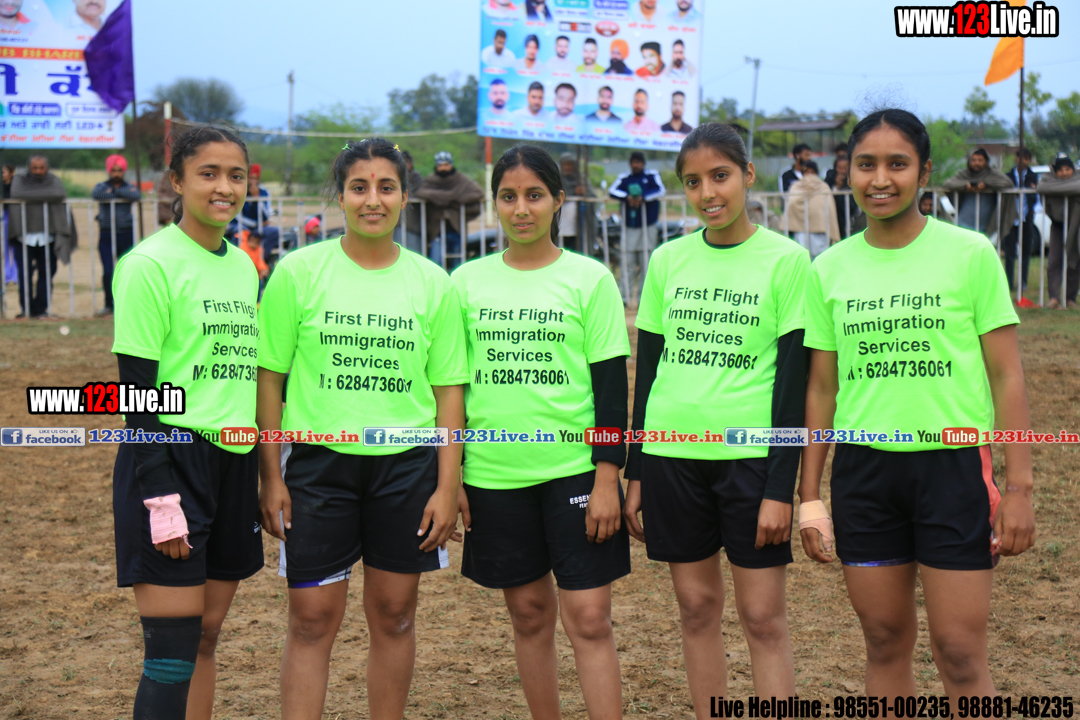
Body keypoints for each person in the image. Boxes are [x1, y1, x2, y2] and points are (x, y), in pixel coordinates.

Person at [800, 109, 1035, 703]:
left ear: (925, 172)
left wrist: (1020, 489)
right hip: (864, 473)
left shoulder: (969, 253)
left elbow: (1006, 375)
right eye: (866, 164)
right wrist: (810, 495)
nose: (881, 179)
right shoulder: (828, 268)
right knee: (883, 641)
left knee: (959, 651)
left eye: (897, 164)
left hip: (953, 472)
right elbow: (821, 388)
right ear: (847, 172)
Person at [257, 138, 466, 720]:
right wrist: (270, 475)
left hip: (406, 469)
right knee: (311, 619)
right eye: (359, 187)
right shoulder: (298, 272)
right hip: (318, 468)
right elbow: (269, 381)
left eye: (386, 187)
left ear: (405, 196)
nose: (373, 200)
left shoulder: (434, 283)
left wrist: (447, 485)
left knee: (395, 616)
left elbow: (449, 393)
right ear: (341, 196)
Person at [624, 122, 808, 718]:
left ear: (748, 175)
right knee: (697, 610)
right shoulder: (667, 260)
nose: (708, 193)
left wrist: (780, 488)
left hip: (750, 464)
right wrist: (636, 470)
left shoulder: (788, 261)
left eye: (721, 176)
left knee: (763, 617)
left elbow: (793, 387)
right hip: (673, 460)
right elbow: (648, 375)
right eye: (693, 182)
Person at [452, 144, 631, 720]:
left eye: (534, 195)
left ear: (558, 200)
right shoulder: (464, 282)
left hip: (575, 475)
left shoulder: (590, 279)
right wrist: (451, 477)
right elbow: (450, 390)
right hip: (494, 477)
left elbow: (610, 388)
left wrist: (607, 477)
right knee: (529, 615)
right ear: (495, 203)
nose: (521, 209)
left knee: (589, 619)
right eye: (508, 197)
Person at [110, 126, 263, 720]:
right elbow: (137, 393)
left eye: (236, 176)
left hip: (232, 464)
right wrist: (160, 497)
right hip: (171, 462)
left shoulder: (243, 265)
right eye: (208, 174)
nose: (224, 187)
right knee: (170, 656)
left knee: (205, 637)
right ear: (176, 181)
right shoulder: (148, 264)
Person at [8, 155, 75, 319]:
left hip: (48, 237)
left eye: (41, 168)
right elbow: (16, 193)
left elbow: (59, 193)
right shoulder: (20, 179)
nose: (38, 171)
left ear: (47, 168)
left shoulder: (53, 179)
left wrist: (29, 195)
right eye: (34, 168)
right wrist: (46, 195)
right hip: (23, 237)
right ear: (29, 168)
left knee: (47, 274)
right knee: (24, 274)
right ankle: (26, 309)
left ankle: (41, 309)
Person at [413, 151, 484, 270]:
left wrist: (451, 199)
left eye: (446, 165)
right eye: (440, 165)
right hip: (437, 231)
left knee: (458, 264)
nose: (443, 168)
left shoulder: (460, 179)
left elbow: (477, 193)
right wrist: (448, 197)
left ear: (451, 165)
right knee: (436, 263)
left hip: (456, 229)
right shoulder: (431, 180)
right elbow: (420, 193)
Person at [609, 151, 665, 302]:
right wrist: (627, 198)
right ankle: (625, 298)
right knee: (627, 263)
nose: (636, 165)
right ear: (630, 164)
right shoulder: (624, 178)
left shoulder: (652, 176)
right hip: (629, 228)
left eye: (638, 162)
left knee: (646, 264)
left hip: (648, 227)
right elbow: (612, 191)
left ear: (643, 163)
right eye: (633, 162)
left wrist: (643, 198)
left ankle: (643, 299)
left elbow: (661, 190)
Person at [91, 153, 141, 315]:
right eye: (113, 170)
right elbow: (97, 194)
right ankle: (109, 305)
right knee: (108, 272)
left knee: (127, 271)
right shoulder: (101, 186)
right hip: (106, 234)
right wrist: (119, 192)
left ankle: (126, 305)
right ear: (109, 171)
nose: (116, 174)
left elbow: (135, 195)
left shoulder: (129, 186)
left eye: (119, 170)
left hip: (126, 234)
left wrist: (112, 192)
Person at [1037, 155, 1080, 309]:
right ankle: (1054, 297)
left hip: (1076, 226)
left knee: (1074, 261)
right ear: (1055, 172)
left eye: (1068, 169)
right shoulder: (1047, 180)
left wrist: (1059, 189)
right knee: (1054, 261)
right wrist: (1070, 188)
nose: (1064, 173)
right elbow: (1041, 188)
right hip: (1057, 225)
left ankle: (1070, 298)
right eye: (1060, 170)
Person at [941, 148, 1012, 236]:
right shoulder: (965, 174)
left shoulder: (992, 174)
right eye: (974, 160)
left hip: (986, 225)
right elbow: (947, 184)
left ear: (986, 161)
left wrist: (986, 184)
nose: (976, 163)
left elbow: (1008, 183)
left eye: (980, 160)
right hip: (964, 221)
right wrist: (966, 185)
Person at [784, 161, 840, 260]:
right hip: (801, 229)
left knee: (821, 258)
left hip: (820, 230)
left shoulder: (824, 187)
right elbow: (791, 205)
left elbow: (830, 209)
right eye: (807, 173)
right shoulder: (796, 187)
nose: (810, 176)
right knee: (802, 256)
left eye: (812, 173)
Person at [1002, 147, 1040, 294]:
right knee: (1010, 252)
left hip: (1026, 218)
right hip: (1011, 219)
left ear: (1029, 160)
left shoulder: (1032, 176)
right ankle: (1009, 282)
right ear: (1016, 158)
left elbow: (1034, 196)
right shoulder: (1008, 176)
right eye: (1020, 158)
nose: (1022, 161)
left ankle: (1023, 281)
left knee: (1025, 252)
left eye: (1026, 158)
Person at [233, 164, 280, 262]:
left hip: (259, 227)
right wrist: (256, 224)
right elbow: (236, 214)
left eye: (256, 178)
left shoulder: (264, 193)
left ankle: (259, 260)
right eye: (251, 178)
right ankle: (242, 261)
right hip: (242, 225)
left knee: (274, 232)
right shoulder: (239, 191)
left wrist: (257, 199)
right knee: (240, 233)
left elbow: (266, 216)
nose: (253, 181)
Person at [394, 150, 426, 254]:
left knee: (413, 252)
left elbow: (419, 193)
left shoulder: (416, 177)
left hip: (412, 224)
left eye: (406, 162)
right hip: (396, 223)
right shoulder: (394, 177)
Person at [558, 152, 586, 252]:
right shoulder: (556, 179)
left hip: (577, 224)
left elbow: (592, 196)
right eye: (564, 165)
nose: (567, 167)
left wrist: (584, 193)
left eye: (570, 164)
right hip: (560, 222)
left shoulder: (581, 179)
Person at [3, 162, 17, 286]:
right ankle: (7, 275)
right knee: (5, 248)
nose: (2, 174)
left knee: (16, 247)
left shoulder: (16, 186)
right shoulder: (2, 186)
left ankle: (16, 275)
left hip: (15, 217)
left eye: (4, 172)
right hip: (5, 216)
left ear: (11, 173)